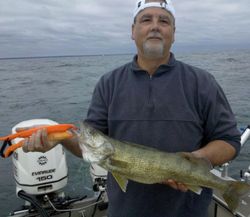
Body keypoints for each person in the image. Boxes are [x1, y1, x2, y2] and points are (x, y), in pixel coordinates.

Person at [21, 0, 241, 216]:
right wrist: (61, 139)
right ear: (133, 31)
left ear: (173, 33)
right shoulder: (109, 84)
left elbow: (229, 141)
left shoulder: (202, 82)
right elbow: (89, 146)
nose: (155, 26)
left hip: (188, 211)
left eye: (163, 21)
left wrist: (193, 160)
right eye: (146, 19)